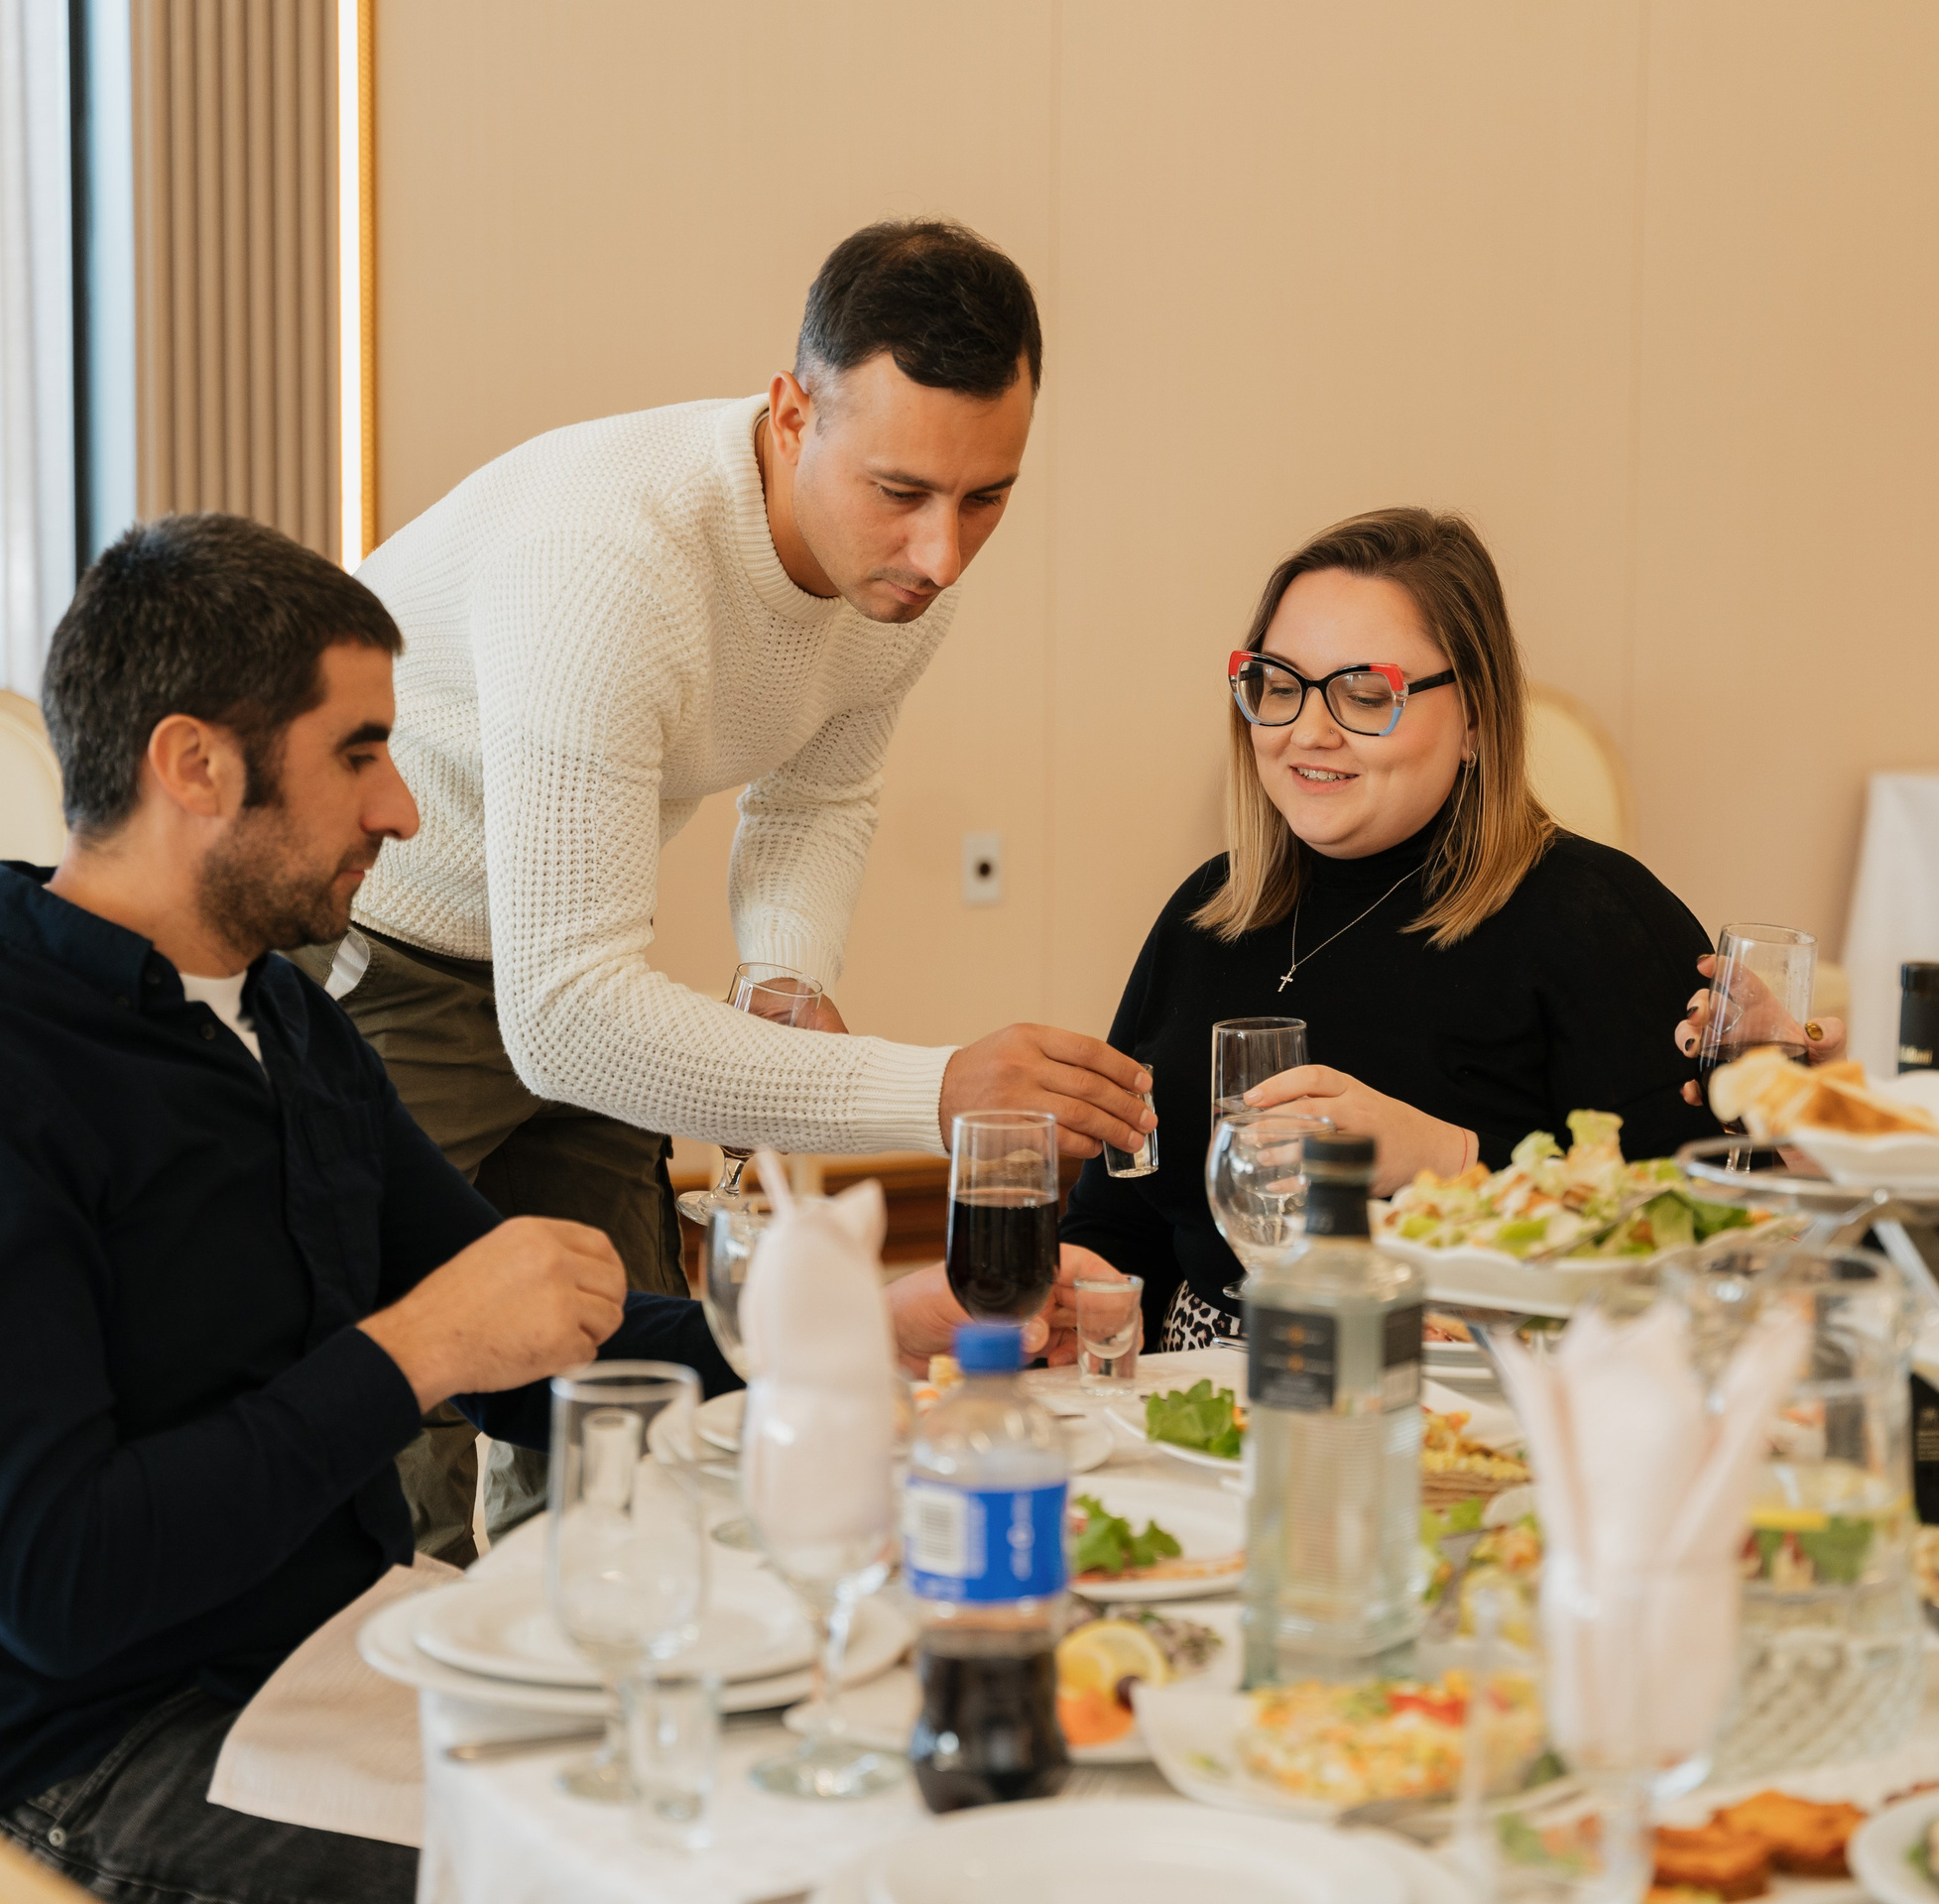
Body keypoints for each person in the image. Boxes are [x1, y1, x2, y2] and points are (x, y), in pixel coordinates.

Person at [317, 219, 1152, 1556]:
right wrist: (935, 1091)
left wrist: (782, 969)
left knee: (626, 1408)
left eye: (987, 497)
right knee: (407, 1404)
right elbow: (566, 1021)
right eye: (902, 491)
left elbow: (816, 791)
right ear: (790, 413)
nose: (943, 553)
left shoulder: (902, 569)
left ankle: (599, 1640)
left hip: (576, 961)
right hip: (386, 949)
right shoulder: (609, 559)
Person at [0, 516, 747, 1901]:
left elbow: (523, 1353)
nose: (402, 810)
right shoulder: (24, 1067)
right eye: (360, 754)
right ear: (194, 765)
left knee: (749, 1788)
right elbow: (60, 1584)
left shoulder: (285, 1019)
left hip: (344, 1647)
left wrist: (829, 1334)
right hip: (105, 1743)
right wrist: (413, 1351)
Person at [1059, 508, 1721, 1349]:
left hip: (1473, 1390)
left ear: (1476, 716)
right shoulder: (1208, 911)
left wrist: (1445, 1158)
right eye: (1279, 685)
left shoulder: (1600, 917)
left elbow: (1696, 1237)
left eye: (1367, 695)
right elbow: (1120, 1219)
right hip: (1197, 1385)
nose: (1308, 732)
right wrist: (1077, 1291)